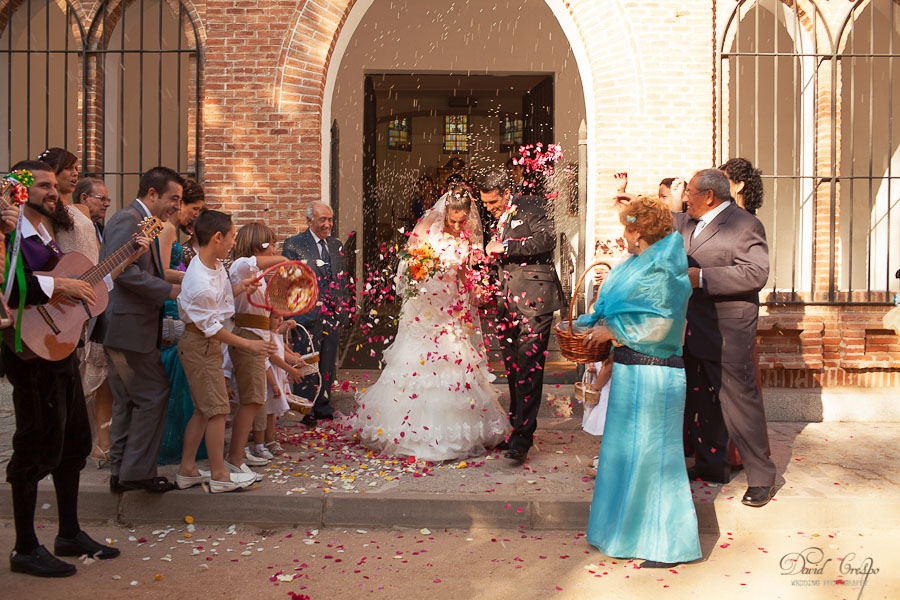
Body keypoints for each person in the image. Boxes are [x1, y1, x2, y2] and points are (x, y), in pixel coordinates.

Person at [2, 161, 139, 577]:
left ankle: (69, 532)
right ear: (19, 191)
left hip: (59, 350)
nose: (52, 192)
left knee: (75, 441)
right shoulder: (9, 238)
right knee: (34, 444)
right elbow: (11, 287)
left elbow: (84, 287)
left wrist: (118, 262)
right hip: (29, 352)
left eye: (52, 185)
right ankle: (25, 547)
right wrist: (59, 285)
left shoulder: (47, 234)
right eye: (42, 186)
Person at [340, 186, 509, 460]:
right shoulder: (427, 233)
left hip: (452, 310)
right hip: (426, 312)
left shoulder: (466, 238)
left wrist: (475, 290)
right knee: (418, 367)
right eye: (452, 220)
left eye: (461, 220)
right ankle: (412, 432)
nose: (456, 225)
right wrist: (422, 279)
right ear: (443, 215)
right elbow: (408, 271)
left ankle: (460, 434)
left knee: (457, 366)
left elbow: (465, 273)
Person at [578, 194, 701, 568]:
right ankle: (624, 533)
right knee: (626, 457)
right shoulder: (636, 262)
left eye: (627, 229)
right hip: (631, 372)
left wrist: (611, 330)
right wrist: (597, 326)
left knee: (657, 460)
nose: (623, 237)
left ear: (640, 231)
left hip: (656, 376)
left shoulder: (667, 269)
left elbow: (662, 323)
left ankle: (670, 545)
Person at [674, 168, 777, 507]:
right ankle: (711, 464)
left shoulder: (744, 224)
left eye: (690, 191)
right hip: (691, 327)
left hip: (727, 328)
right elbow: (662, 232)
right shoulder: (688, 221)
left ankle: (761, 477)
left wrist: (702, 277)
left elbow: (755, 272)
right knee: (702, 399)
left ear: (709, 195)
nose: (686, 197)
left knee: (738, 402)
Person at [174, 210, 276, 492]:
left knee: (204, 411)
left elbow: (221, 299)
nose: (233, 241)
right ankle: (220, 474)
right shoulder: (200, 283)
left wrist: (240, 287)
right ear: (217, 238)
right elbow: (212, 328)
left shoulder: (213, 265)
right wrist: (251, 344)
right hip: (200, 344)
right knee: (218, 410)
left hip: (205, 343)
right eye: (231, 236)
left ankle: (187, 469)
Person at [96, 166, 183, 493]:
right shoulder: (127, 219)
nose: (177, 205)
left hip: (129, 326)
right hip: (127, 326)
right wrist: (167, 291)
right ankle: (137, 472)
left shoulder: (144, 221)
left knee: (128, 400)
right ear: (151, 194)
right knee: (153, 392)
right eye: (173, 198)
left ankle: (121, 471)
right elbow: (119, 271)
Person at [482, 168, 565, 462]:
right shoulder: (499, 219)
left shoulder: (534, 205)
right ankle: (517, 427)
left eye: (493, 202)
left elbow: (546, 240)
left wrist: (505, 245)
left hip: (534, 299)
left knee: (529, 367)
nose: (489, 209)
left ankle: (523, 438)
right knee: (514, 369)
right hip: (506, 301)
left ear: (506, 192)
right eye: (486, 204)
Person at [45, 155, 114, 470]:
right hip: (63, 299)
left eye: (75, 169)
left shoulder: (83, 214)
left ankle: (93, 442)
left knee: (89, 372)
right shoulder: (50, 213)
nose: (74, 174)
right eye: (67, 170)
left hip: (89, 297)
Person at [282, 201, 352, 426]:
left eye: (330, 219)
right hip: (306, 315)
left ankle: (323, 406)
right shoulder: (294, 244)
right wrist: (291, 317)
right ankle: (305, 408)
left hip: (332, 314)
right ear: (309, 221)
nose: (327, 224)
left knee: (328, 364)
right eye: (322, 220)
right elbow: (289, 282)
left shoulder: (336, 244)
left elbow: (340, 277)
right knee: (306, 363)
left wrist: (345, 307)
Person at [227, 222, 288, 470]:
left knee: (256, 398)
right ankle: (237, 454)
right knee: (250, 398)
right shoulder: (241, 266)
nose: (274, 248)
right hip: (247, 335)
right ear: (258, 246)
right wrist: (283, 258)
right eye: (271, 244)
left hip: (259, 335)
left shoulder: (258, 278)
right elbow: (251, 263)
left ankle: (248, 449)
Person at [156, 179, 206, 464]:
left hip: (177, 301)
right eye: (194, 208)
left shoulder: (173, 230)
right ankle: (171, 440)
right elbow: (162, 272)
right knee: (175, 370)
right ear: (181, 204)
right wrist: (194, 278)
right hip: (169, 307)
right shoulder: (166, 229)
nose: (196, 215)